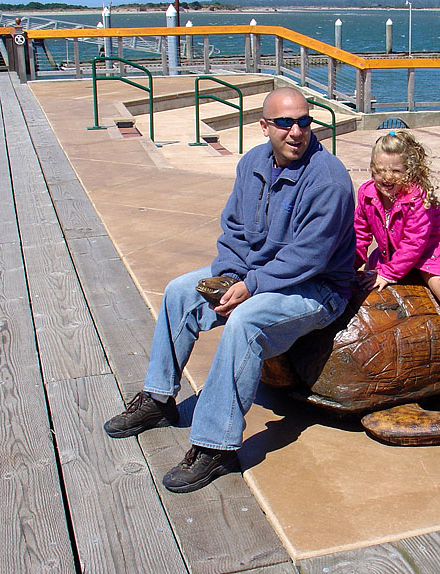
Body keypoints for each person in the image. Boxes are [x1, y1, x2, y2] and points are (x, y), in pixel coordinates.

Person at [103, 87, 356, 493]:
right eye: (285, 123)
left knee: (245, 321)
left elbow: (309, 256)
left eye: (305, 122)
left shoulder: (329, 180)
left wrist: (250, 287)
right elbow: (236, 229)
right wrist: (229, 275)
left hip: (317, 287)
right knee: (180, 291)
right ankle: (159, 399)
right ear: (264, 126)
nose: (297, 132)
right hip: (255, 272)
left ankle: (216, 447)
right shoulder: (253, 162)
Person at [353, 131, 440, 387]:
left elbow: (415, 243)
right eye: (380, 169)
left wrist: (389, 273)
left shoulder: (417, 197)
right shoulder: (367, 194)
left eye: (395, 171)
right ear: (372, 168)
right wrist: (350, 263)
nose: (387, 177)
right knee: (365, 276)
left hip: (432, 250)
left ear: (409, 169)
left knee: (439, 283)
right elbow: (360, 234)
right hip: (392, 251)